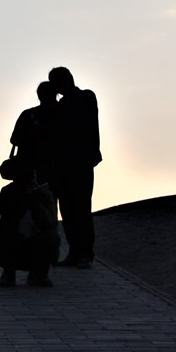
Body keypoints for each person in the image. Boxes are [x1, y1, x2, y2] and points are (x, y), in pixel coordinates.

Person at [48, 66, 101, 269]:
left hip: (80, 162)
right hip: (63, 165)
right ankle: (75, 251)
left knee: (81, 209)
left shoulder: (85, 97)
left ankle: (85, 253)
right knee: (68, 210)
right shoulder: (60, 105)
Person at [0, 157, 58, 288]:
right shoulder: (8, 193)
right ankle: (9, 272)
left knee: (50, 238)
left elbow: (48, 223)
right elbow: (8, 222)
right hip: (16, 241)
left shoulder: (44, 194)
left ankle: (39, 274)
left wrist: (35, 202)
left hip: (37, 241)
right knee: (6, 235)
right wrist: (23, 201)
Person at [10, 82, 58, 186]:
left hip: (29, 168)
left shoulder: (27, 114)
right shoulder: (64, 114)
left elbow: (15, 140)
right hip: (57, 168)